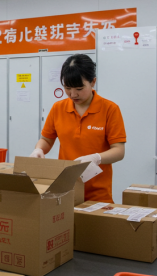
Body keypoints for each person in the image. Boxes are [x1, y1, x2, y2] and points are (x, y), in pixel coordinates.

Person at [29, 54, 126, 203]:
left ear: (93, 82)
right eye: (67, 88)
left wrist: (96, 158)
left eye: (79, 88)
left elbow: (119, 151)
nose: (73, 94)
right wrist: (39, 149)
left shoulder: (109, 109)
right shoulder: (58, 108)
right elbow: (46, 140)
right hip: (66, 189)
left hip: (97, 194)